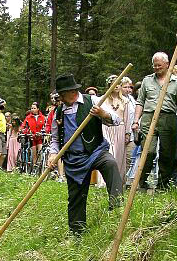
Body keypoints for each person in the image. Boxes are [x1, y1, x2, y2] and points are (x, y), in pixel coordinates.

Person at [48, 74, 123, 234]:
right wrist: (53, 154)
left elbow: (116, 120)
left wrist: (103, 114)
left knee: (110, 163)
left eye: (62, 94)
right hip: (74, 159)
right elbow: (55, 138)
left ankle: (117, 207)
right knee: (76, 197)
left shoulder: (93, 102)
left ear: (72, 91)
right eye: (59, 94)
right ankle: (77, 233)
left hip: (96, 151)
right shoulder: (59, 112)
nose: (60, 97)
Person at [132, 52, 177, 190]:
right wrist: (136, 121)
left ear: (167, 64)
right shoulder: (147, 80)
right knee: (149, 151)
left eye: (159, 65)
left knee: (167, 153)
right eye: (155, 66)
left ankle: (162, 185)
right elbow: (140, 102)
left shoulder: (176, 81)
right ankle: (142, 181)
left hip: (168, 117)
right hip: (148, 117)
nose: (157, 68)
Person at [102, 74, 132, 179]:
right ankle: (104, 179)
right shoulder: (103, 99)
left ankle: (118, 178)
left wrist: (127, 133)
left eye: (118, 84)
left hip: (120, 129)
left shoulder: (125, 101)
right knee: (109, 152)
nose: (116, 86)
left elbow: (127, 118)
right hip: (106, 128)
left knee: (119, 155)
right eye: (113, 83)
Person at [20, 102, 46, 168]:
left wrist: (43, 132)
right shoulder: (28, 118)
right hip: (32, 137)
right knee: (34, 153)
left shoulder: (43, 117)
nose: (32, 109)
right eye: (32, 108)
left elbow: (46, 126)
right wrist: (27, 132)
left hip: (40, 137)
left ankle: (40, 165)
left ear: (38, 109)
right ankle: (34, 166)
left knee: (40, 151)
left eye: (34, 108)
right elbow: (23, 127)